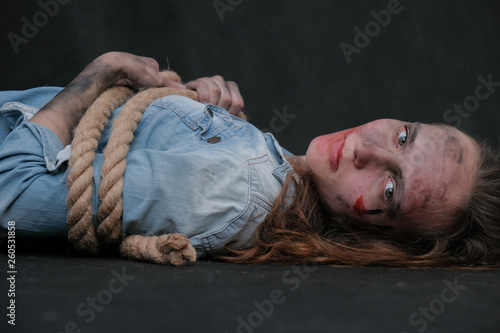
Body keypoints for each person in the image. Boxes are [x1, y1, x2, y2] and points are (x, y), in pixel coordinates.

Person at [0, 52, 499, 268]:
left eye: (390, 191)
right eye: (404, 136)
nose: (366, 148)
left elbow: (11, 195)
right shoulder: (265, 176)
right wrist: (205, 122)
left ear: (381, 241)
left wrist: (100, 72)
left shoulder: (233, 188)